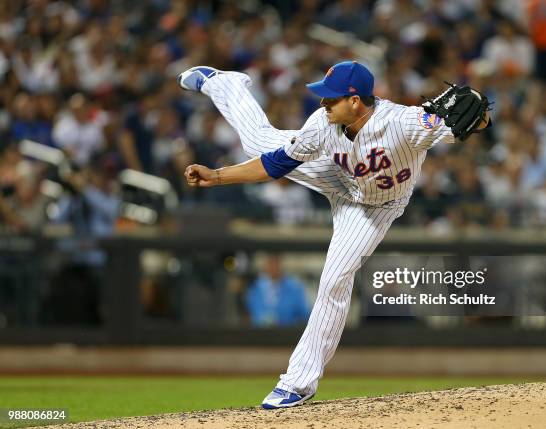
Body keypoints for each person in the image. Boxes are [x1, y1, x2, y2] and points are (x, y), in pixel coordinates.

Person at [177, 61, 490, 409]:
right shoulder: (321, 124)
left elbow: (462, 125)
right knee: (257, 142)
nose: (323, 104)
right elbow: (275, 164)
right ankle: (224, 84)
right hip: (335, 175)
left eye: (331, 99)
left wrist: (482, 117)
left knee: (334, 279)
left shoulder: (404, 123)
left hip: (373, 207)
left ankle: (297, 383)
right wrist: (217, 176)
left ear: (355, 101)